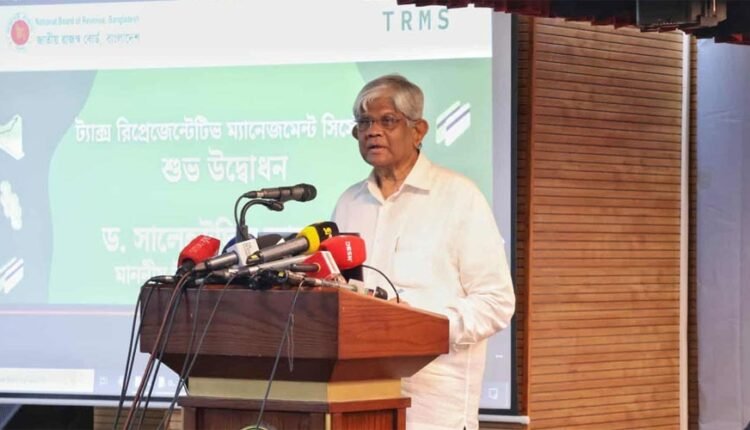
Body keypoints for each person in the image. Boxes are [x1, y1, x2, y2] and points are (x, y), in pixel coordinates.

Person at [331, 74, 516, 430]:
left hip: (434, 408)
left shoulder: (459, 197)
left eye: (387, 120)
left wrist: (421, 328)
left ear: (418, 130)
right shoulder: (349, 202)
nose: (373, 131)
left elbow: (496, 302)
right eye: (364, 123)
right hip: (360, 402)